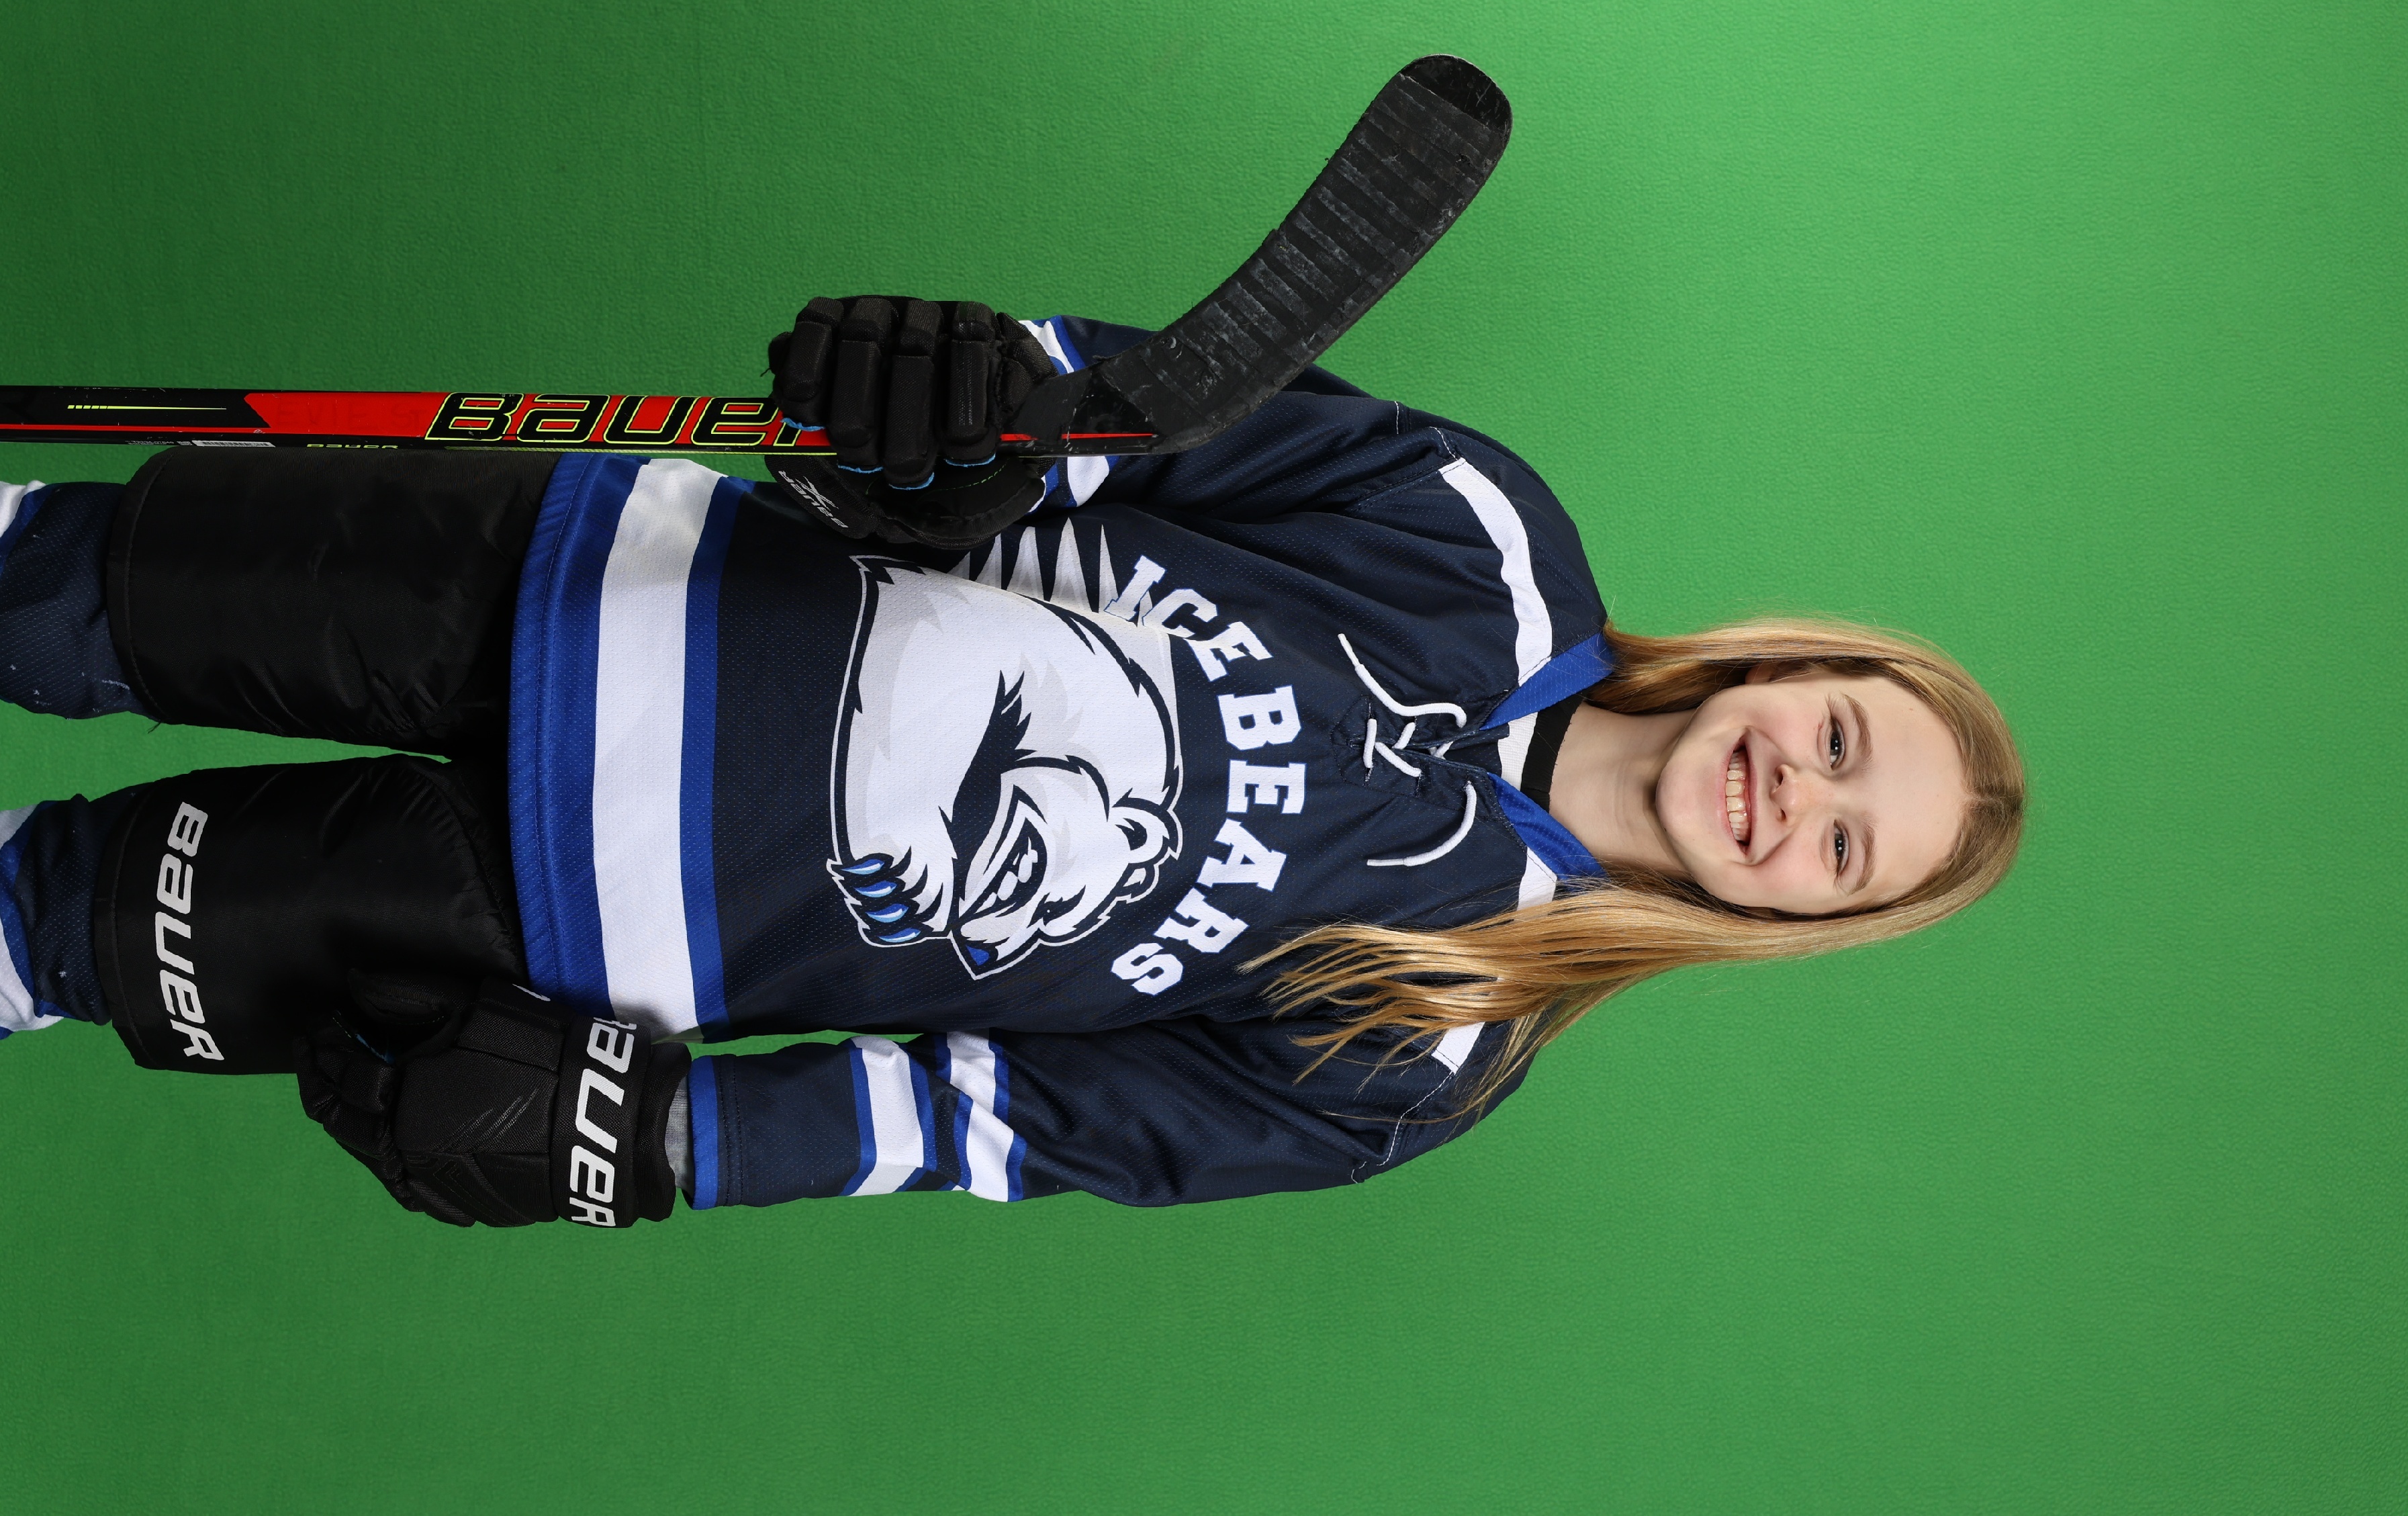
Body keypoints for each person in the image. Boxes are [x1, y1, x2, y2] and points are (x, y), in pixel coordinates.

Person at [0, 301, 2025, 1227]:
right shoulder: (1473, 537)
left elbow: (1004, 1122)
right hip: (579, 581)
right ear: (1795, 667)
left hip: (572, 909)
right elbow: (1122, 411)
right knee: (55, 591)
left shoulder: (1434, 1048)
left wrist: (677, 1147)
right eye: (1842, 738)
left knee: (45, 926)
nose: (1798, 795)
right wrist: (968, 405)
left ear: (1794, 917)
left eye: (1844, 849)